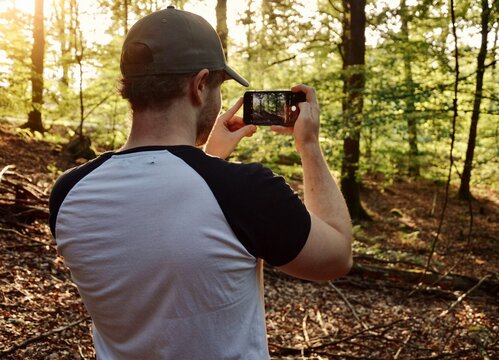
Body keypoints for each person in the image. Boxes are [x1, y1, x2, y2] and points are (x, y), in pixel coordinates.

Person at [48, 6, 352, 360]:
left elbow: (159, 229)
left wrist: (211, 158)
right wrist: (309, 147)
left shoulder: (68, 192)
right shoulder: (246, 190)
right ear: (199, 85)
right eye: (219, 86)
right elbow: (337, 256)